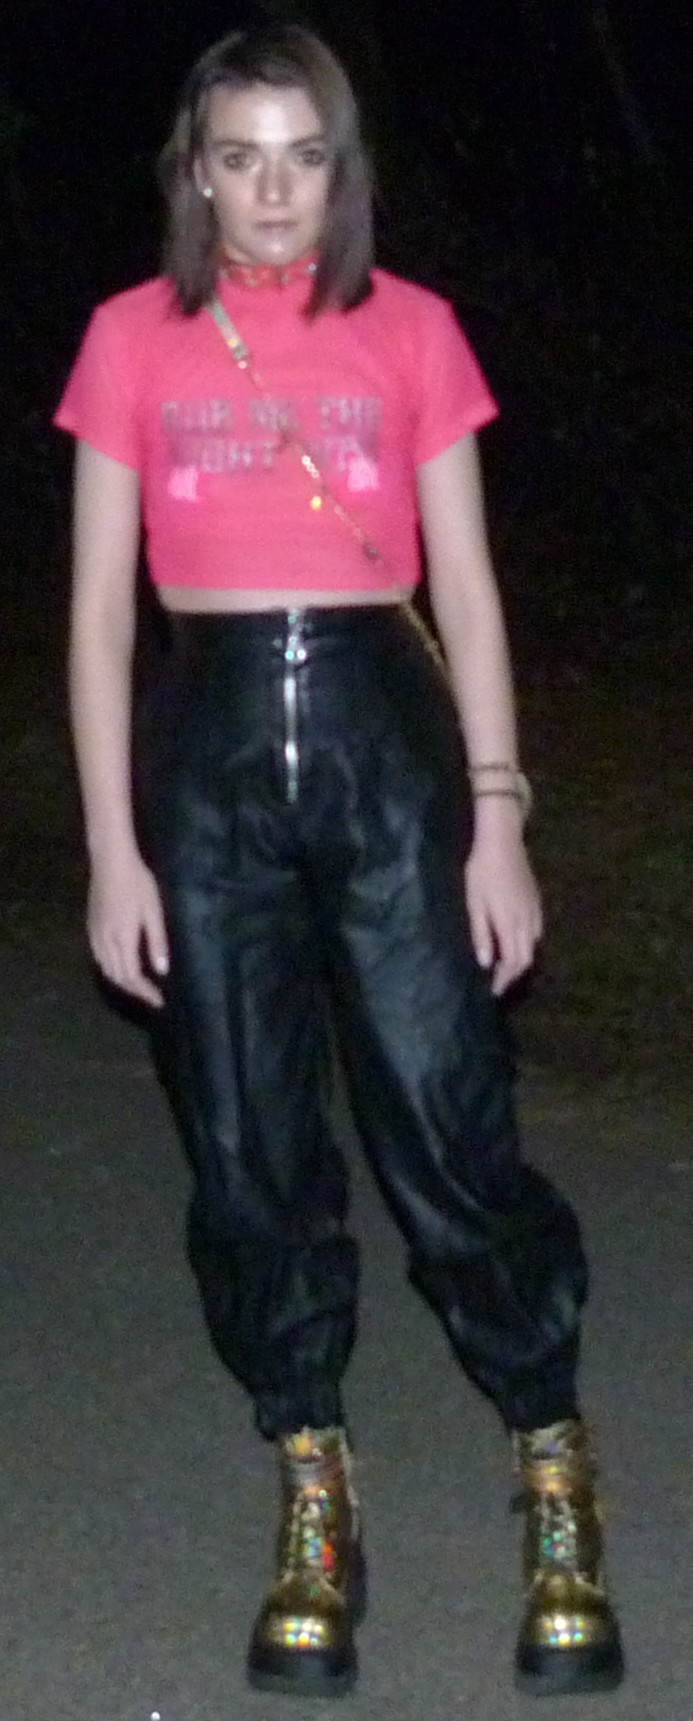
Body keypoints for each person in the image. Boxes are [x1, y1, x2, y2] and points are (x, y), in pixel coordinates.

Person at [55, 22, 623, 1701]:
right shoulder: (130, 337)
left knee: (445, 1118)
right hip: (207, 755)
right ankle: (312, 1477)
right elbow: (97, 618)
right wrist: (113, 848)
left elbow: (471, 592)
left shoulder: (414, 329)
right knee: (247, 1142)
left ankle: (550, 1455)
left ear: (342, 171)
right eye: (239, 156)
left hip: (388, 747)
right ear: (193, 171)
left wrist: (498, 816)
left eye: (302, 157)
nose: (272, 192)